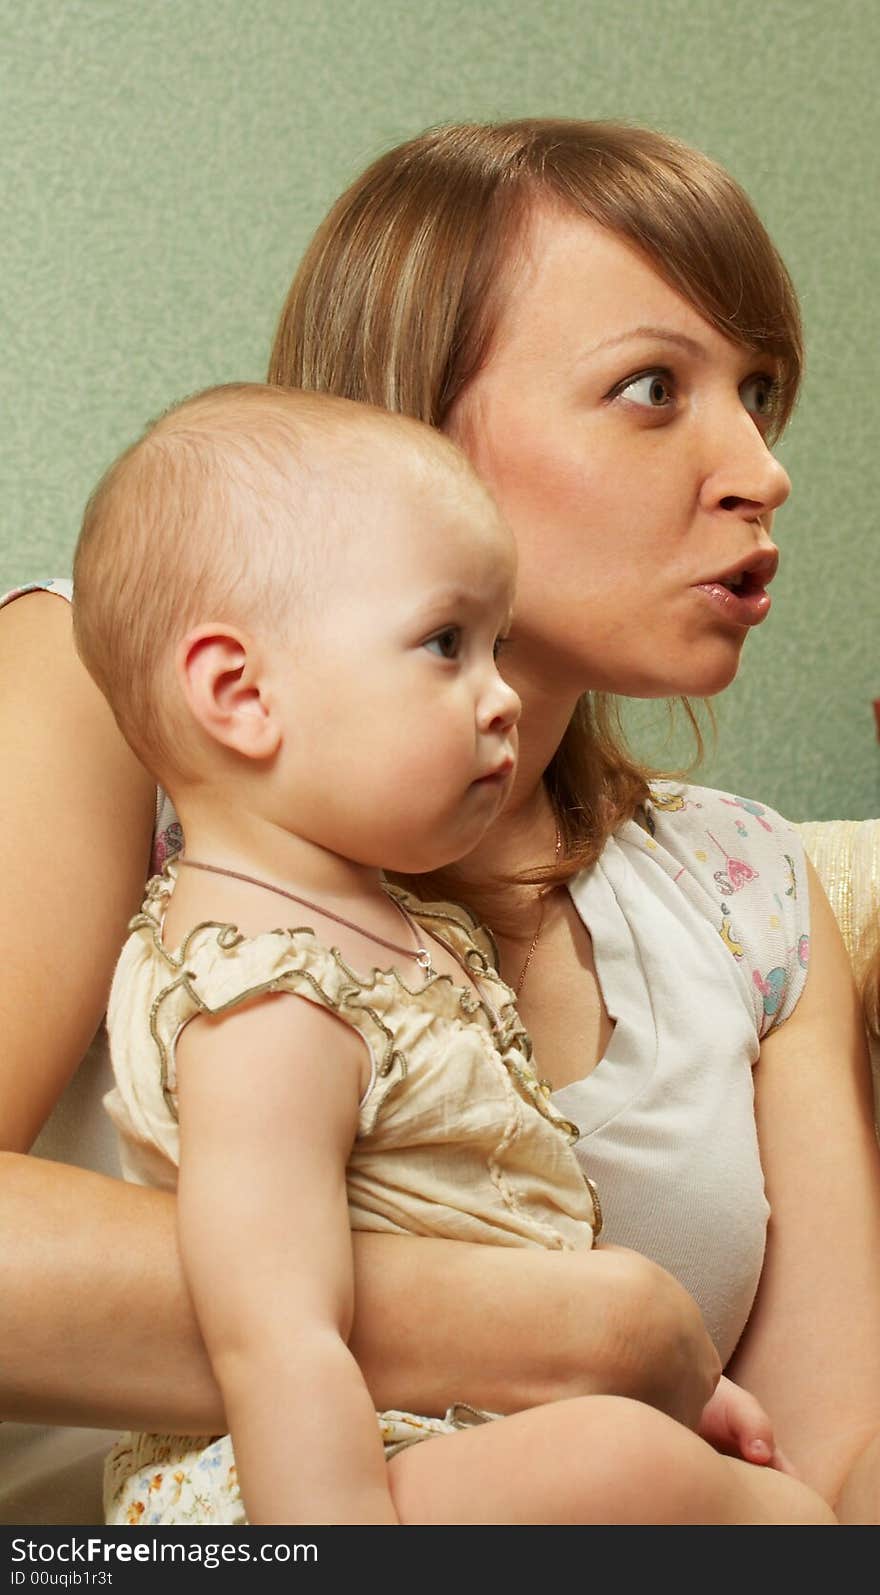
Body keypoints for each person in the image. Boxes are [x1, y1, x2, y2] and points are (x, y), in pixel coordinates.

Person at [1, 117, 879, 1525]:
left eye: (761, 393)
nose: (760, 471)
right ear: (415, 427)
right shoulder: (127, 692)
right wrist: (572, 1330)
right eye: (654, 386)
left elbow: (824, 1468)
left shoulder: (754, 892)